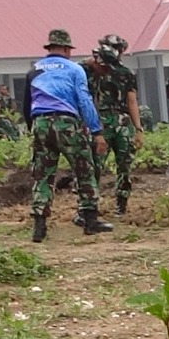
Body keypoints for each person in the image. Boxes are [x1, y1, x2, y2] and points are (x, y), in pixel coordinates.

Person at [24, 28, 109, 242]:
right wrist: (96, 131)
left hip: (40, 123)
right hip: (67, 122)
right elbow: (84, 100)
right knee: (84, 169)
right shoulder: (74, 69)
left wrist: (32, 128)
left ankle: (39, 226)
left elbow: (27, 104)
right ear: (65, 48)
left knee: (42, 175)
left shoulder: (34, 69)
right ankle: (90, 220)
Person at [85, 34, 141, 216]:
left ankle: (121, 205)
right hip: (101, 120)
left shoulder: (126, 73)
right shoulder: (91, 68)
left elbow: (132, 101)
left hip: (123, 121)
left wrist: (138, 129)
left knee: (125, 165)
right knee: (95, 164)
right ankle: (89, 205)